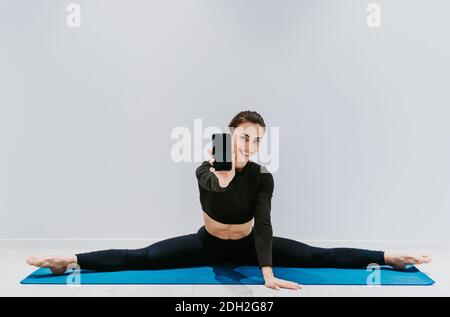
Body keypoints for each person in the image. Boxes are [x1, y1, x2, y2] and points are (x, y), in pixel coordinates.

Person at [26, 110, 432, 290]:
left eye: (257, 140)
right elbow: (214, 195)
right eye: (244, 137)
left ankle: (386, 255)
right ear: (229, 136)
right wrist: (222, 178)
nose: (250, 144)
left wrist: (268, 273)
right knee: (143, 257)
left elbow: (265, 223)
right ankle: (72, 261)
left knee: (314, 253)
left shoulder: (263, 176)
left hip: (251, 244)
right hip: (207, 242)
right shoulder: (205, 168)